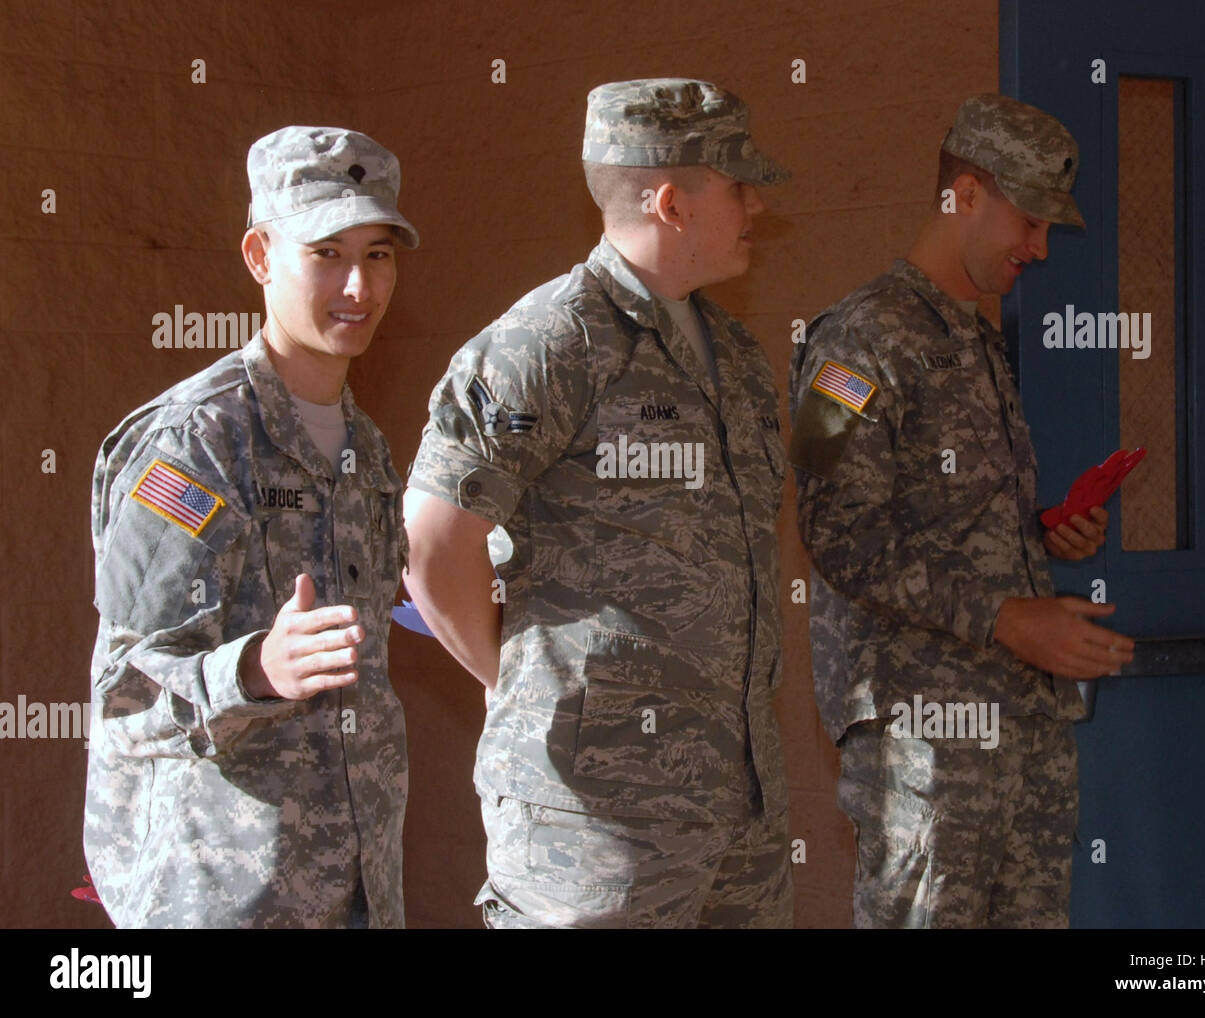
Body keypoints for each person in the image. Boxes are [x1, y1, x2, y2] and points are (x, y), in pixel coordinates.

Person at [404, 79, 792, 928]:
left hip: (738, 812)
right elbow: (434, 543)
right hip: (595, 826)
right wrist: (511, 682)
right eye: (738, 185)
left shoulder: (735, 352)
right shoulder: (550, 343)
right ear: (670, 203)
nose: (756, 205)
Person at [790, 93, 1136, 929]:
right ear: (965, 195)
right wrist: (1009, 616)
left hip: (1020, 727)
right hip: (926, 737)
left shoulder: (975, 340)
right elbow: (835, 528)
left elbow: (943, 522)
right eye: (1029, 221)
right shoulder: (853, 342)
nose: (1040, 248)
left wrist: (1040, 535)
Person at [84, 126, 418, 928]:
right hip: (223, 902)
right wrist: (254, 671)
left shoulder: (363, 446)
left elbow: (389, 606)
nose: (358, 287)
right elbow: (121, 700)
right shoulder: (196, 445)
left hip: (359, 895)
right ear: (261, 257)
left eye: (379, 254)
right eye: (327, 253)